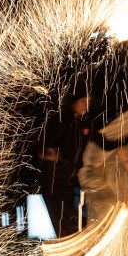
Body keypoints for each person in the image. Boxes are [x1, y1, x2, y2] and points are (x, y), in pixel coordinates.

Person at [39, 85, 90, 237]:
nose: (86, 106)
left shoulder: (80, 123)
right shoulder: (60, 120)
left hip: (70, 179)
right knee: (63, 221)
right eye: (83, 101)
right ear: (73, 101)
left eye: (88, 102)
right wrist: (50, 155)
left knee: (77, 219)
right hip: (55, 180)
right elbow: (43, 147)